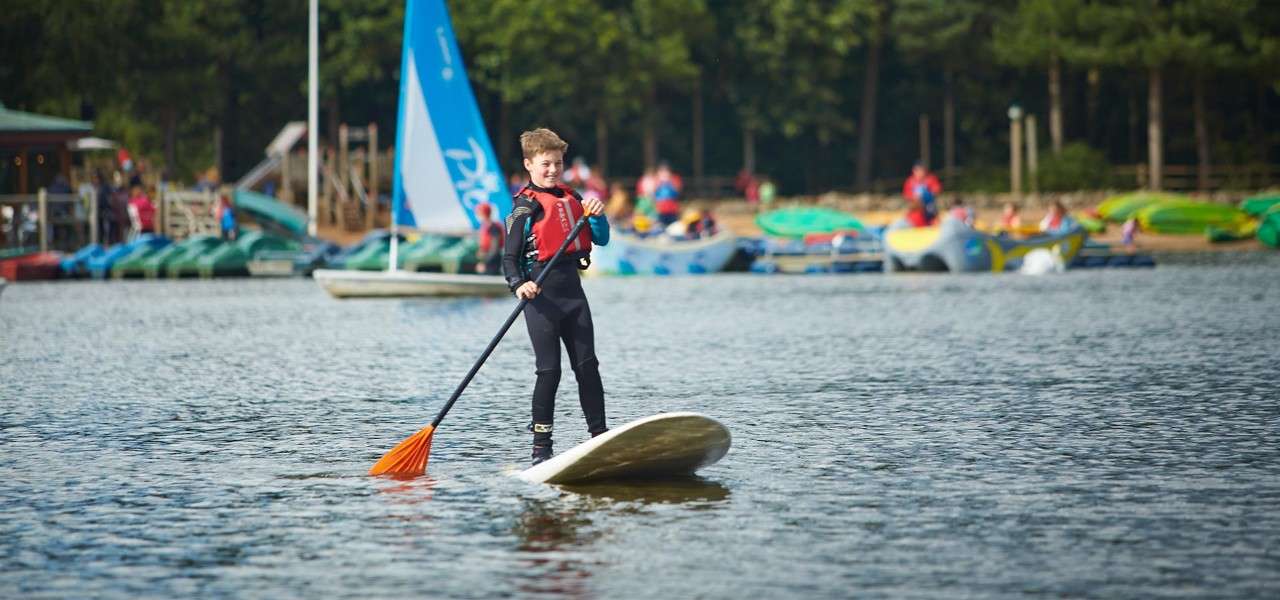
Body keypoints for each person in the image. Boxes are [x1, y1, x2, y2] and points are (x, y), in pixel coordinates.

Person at [502, 128, 611, 466]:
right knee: (550, 371)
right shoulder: (525, 208)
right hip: (541, 299)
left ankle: (600, 436)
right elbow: (508, 258)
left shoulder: (573, 198)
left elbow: (602, 239)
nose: (552, 170)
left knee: (588, 366)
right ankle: (541, 447)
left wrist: (598, 215)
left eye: (558, 163)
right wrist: (519, 285)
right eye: (545, 164)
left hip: (573, 295)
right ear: (529, 165)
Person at [902, 161, 942, 225]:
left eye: (921, 170)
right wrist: (915, 198)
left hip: (928, 205)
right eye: (917, 170)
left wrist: (926, 195)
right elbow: (906, 195)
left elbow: (936, 190)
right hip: (916, 206)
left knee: (932, 212)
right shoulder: (910, 181)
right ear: (914, 171)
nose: (920, 172)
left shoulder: (930, 178)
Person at [474, 201, 503, 274]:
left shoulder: (493, 227)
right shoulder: (485, 226)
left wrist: (485, 263)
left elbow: (494, 249)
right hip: (487, 258)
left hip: (493, 262)